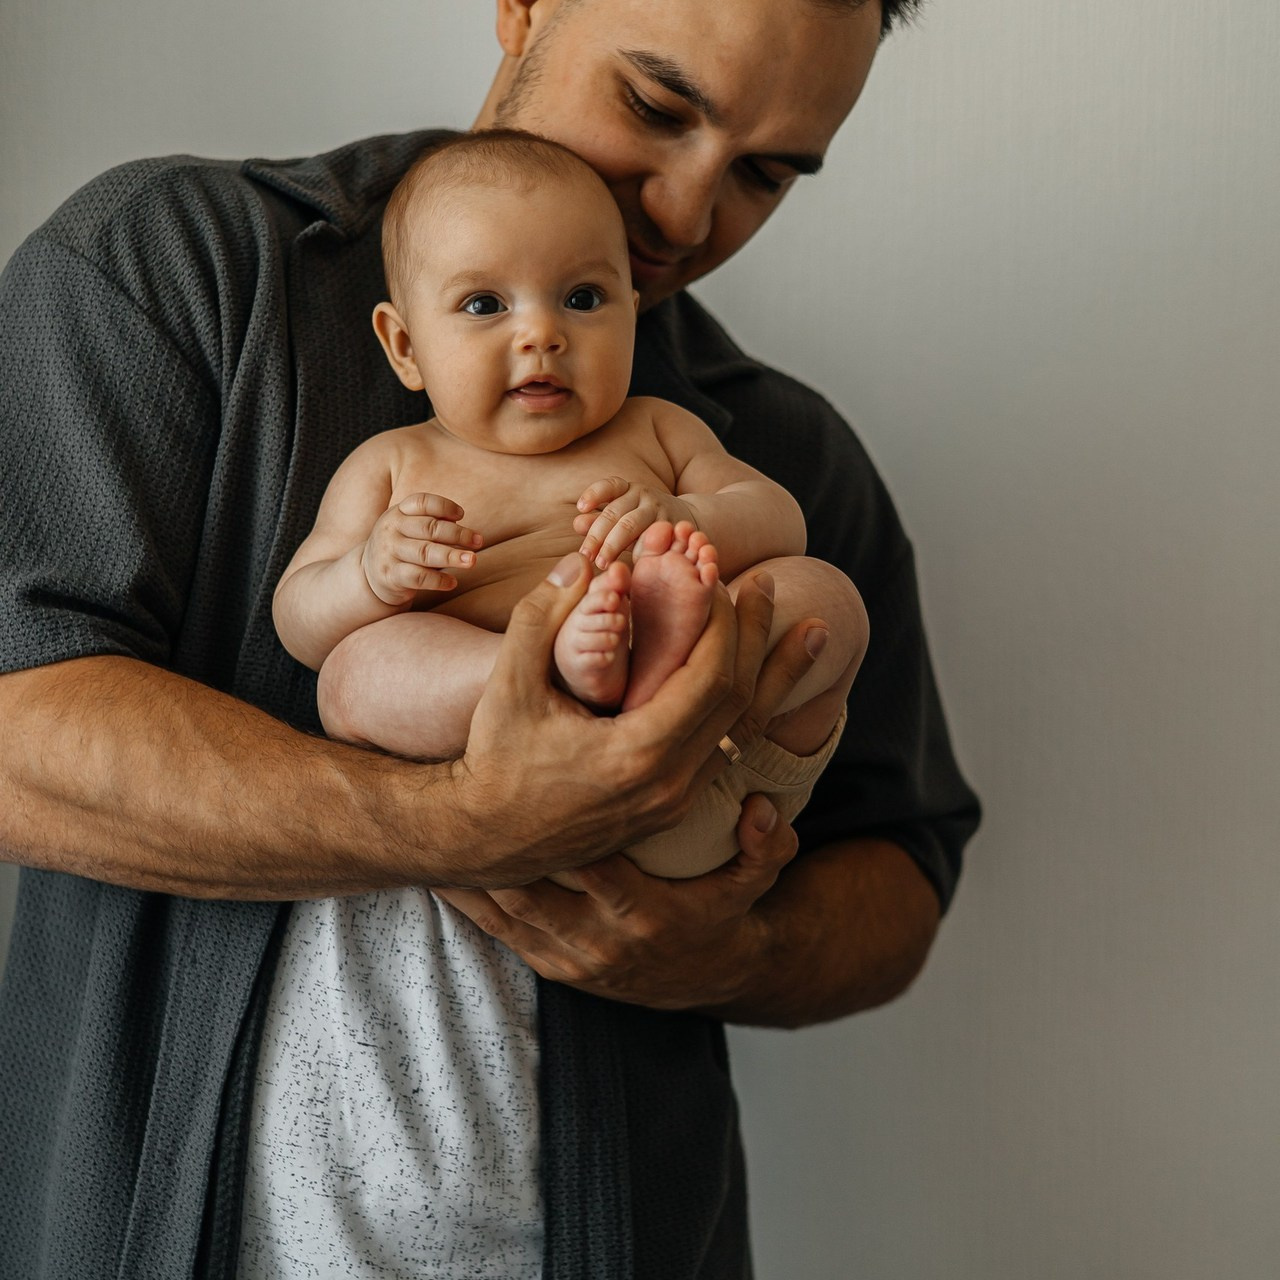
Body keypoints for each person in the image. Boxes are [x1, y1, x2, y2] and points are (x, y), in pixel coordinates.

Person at [0, 1, 980, 1276]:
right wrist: (469, 820)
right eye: (656, 105)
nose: (685, 217)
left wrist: (723, 949)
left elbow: (899, 873)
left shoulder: (772, 451)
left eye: (762, 173)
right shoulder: (176, 269)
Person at [278, 130, 864, 881]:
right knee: (353, 673)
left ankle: (655, 668)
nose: (542, 335)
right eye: (485, 304)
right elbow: (298, 618)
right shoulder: (393, 466)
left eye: (583, 299)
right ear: (405, 346)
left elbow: (779, 517)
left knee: (828, 598)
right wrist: (367, 576)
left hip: (714, 762)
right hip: (511, 777)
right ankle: (547, 669)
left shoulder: (656, 429)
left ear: (632, 308)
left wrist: (687, 517)